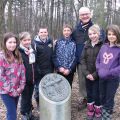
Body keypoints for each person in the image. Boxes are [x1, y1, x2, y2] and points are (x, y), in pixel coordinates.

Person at [96, 24, 120, 119]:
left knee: (109, 99)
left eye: (113, 34)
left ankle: (106, 117)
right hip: (102, 77)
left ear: (117, 35)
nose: (111, 36)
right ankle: (103, 114)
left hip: (112, 79)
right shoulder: (104, 47)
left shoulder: (119, 49)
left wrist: (109, 72)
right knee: (102, 96)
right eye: (109, 34)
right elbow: (98, 60)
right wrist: (99, 69)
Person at [0, 32, 26, 120]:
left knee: (12, 111)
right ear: (4, 43)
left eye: (14, 42)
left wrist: (21, 87)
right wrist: (12, 90)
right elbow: (1, 77)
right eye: (10, 42)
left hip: (17, 90)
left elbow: (22, 71)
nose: (12, 44)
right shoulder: (1, 57)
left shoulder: (17, 55)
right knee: (12, 114)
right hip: (6, 92)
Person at [72, 6, 93, 109]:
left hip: (93, 61)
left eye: (86, 14)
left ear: (90, 14)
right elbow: (71, 42)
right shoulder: (76, 30)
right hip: (80, 62)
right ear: (79, 16)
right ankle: (86, 99)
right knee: (82, 82)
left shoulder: (95, 28)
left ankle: (94, 100)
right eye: (82, 14)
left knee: (93, 81)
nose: (85, 16)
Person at [81, 25, 103, 120]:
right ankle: (90, 111)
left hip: (98, 75)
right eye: (90, 34)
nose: (92, 36)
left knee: (97, 93)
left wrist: (94, 75)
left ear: (99, 34)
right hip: (88, 75)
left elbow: (103, 63)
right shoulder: (86, 45)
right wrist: (87, 74)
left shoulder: (103, 46)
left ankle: (98, 112)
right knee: (89, 93)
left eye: (94, 33)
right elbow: (82, 59)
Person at [32, 27, 54, 108]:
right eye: (41, 32)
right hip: (39, 71)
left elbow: (52, 55)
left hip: (49, 70)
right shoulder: (34, 43)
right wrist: (37, 69)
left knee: (48, 87)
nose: (43, 34)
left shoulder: (50, 41)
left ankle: (47, 102)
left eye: (45, 32)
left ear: (47, 33)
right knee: (38, 89)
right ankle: (39, 103)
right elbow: (33, 58)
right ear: (38, 33)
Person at [19, 32, 35, 120]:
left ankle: (29, 114)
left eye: (29, 40)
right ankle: (24, 115)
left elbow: (33, 64)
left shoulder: (32, 50)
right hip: (23, 81)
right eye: (25, 40)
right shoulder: (19, 52)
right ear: (21, 41)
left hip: (31, 79)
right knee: (25, 98)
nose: (27, 42)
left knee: (29, 97)